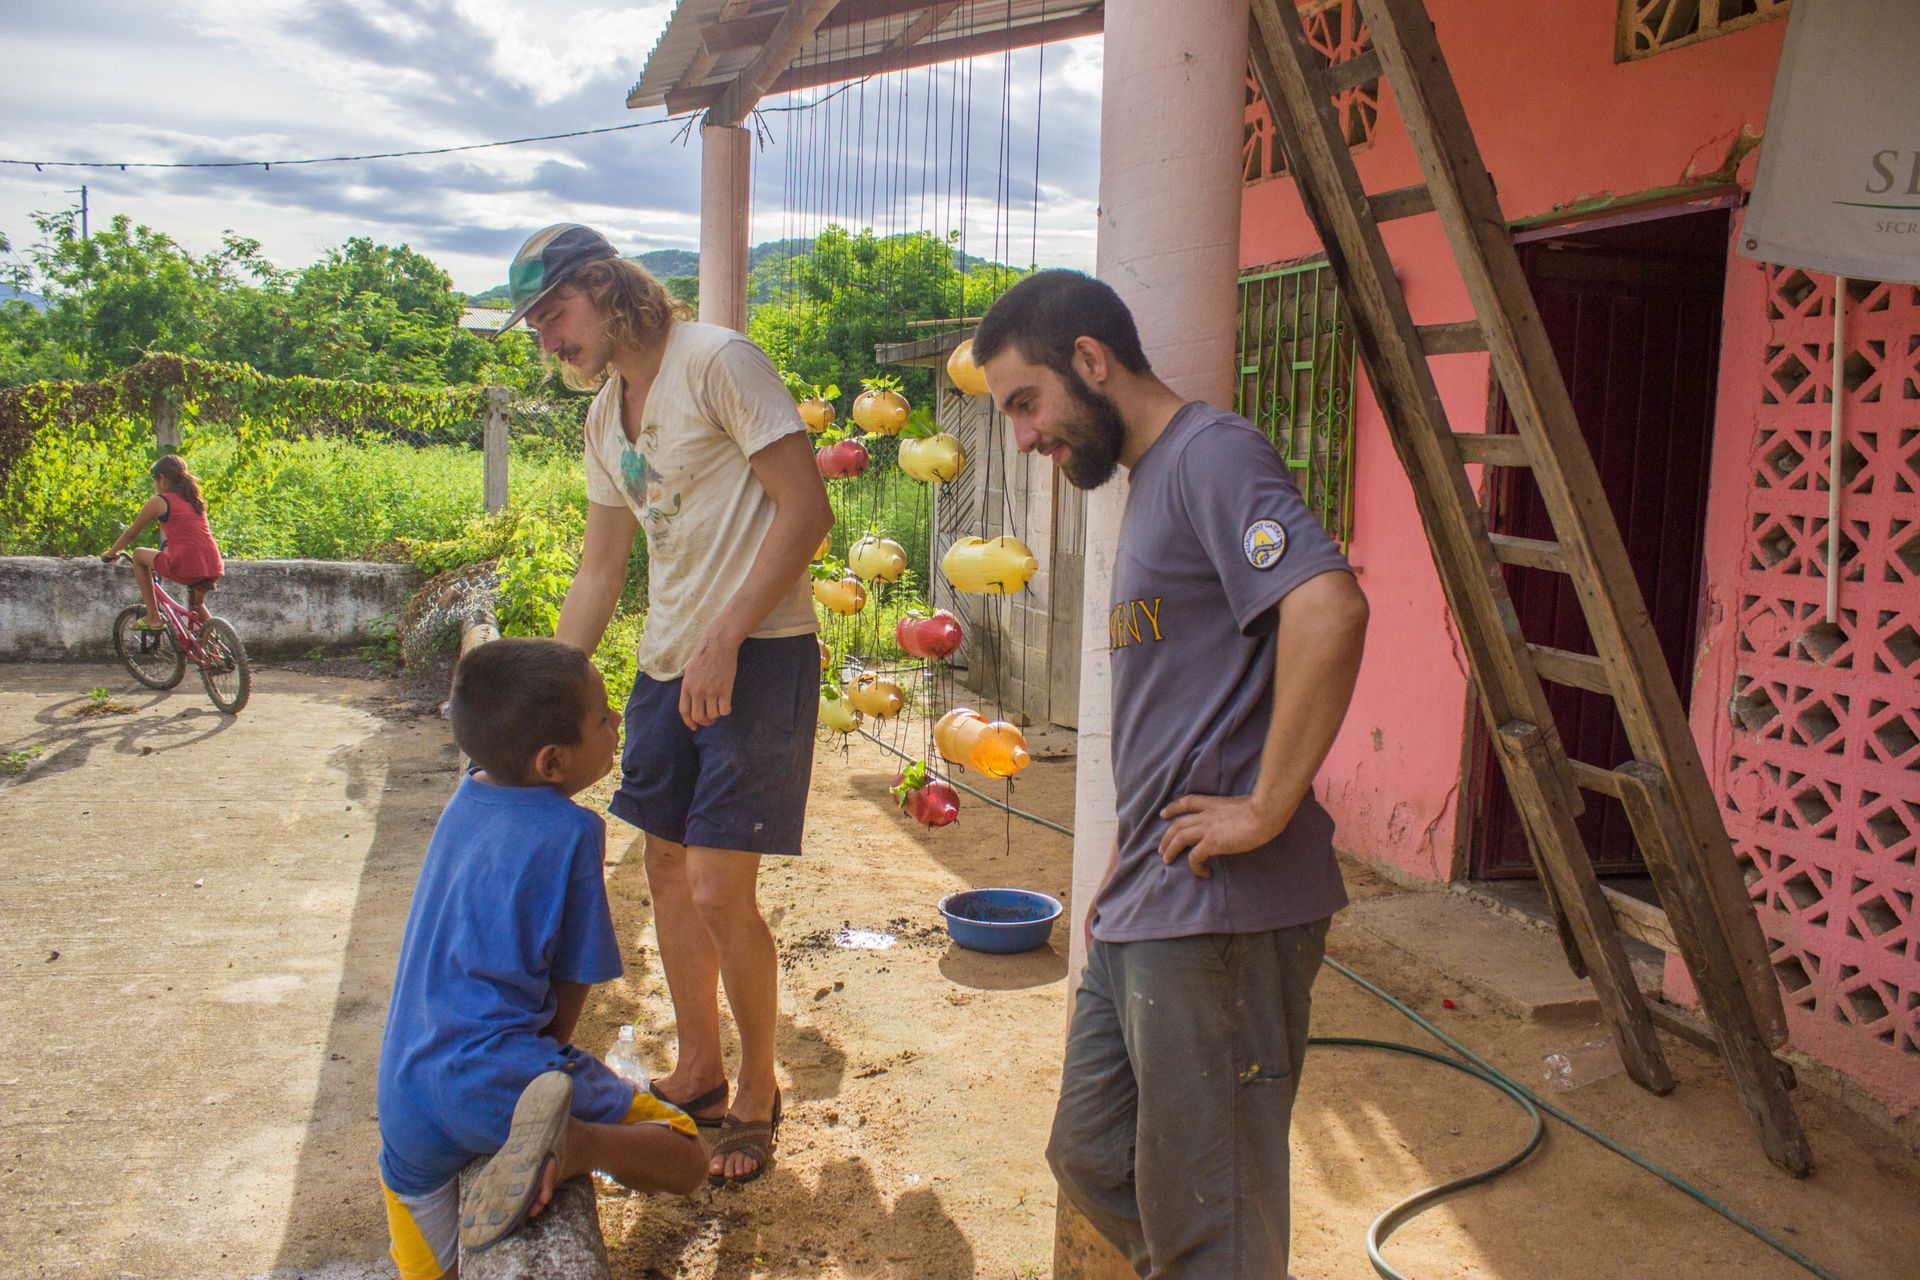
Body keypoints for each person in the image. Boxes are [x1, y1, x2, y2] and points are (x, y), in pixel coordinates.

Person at [973, 270, 1371, 1278]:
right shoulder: (1154, 481)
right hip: (1149, 900)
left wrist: (1267, 803)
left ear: (1092, 362)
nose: (1023, 435)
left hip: (1221, 911)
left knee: (1210, 1213)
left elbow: (1329, 608)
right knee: (1093, 1150)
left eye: (1028, 401)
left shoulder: (1212, 455)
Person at [496, 223, 833, 1185]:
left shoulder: (719, 361)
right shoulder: (607, 417)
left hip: (758, 654)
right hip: (665, 667)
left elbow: (808, 511)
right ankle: (699, 1070)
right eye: (534, 326)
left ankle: (761, 1088)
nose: (546, 340)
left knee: (723, 889)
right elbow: (605, 564)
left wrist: (724, 636)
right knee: (669, 868)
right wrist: (541, 698)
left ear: (604, 288)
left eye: (554, 315)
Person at [376, 637, 707, 1278]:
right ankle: (578, 1146)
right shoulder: (572, 831)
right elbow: (572, 979)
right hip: (496, 1076)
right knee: (687, 1152)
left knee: (428, 1269)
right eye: (604, 717)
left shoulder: (465, 798)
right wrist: (551, 1078)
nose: (616, 724)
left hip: (405, 1088)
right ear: (553, 762)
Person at [100, 454, 225, 628]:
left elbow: (132, 533)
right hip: (212, 563)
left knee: (138, 555)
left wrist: (111, 552)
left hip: (185, 563)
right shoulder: (195, 499)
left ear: (163, 479)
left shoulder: (160, 501)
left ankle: (153, 616)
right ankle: (213, 650)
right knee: (197, 605)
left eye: (155, 481)